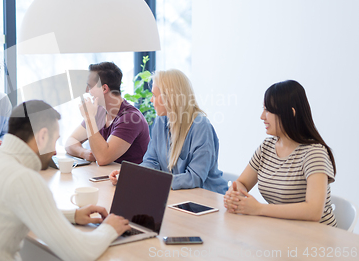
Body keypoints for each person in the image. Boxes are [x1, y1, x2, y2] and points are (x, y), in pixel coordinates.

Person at [0, 100, 131, 261]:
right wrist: (109, 229)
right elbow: (81, 252)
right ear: (42, 136)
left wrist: (73, 215)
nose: (54, 151)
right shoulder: (22, 178)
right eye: (54, 140)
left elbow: (15, 207)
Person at [223, 80, 337, 226]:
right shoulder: (267, 147)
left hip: (316, 238)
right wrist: (236, 193)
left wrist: (259, 209)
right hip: (283, 230)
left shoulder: (314, 153)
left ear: (291, 113)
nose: (262, 116)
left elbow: (313, 211)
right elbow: (242, 182)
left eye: (268, 110)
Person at [109, 69, 228, 193]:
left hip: (206, 199)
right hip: (176, 195)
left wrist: (156, 181)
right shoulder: (160, 121)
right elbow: (151, 161)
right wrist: (132, 175)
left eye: (154, 95)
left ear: (170, 97)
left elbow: (195, 177)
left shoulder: (201, 126)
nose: (151, 100)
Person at [65, 62, 150, 165]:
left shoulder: (130, 118)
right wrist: (84, 153)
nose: (87, 91)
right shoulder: (99, 111)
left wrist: (89, 118)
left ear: (104, 88)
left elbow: (102, 158)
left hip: (128, 179)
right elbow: (70, 141)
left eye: (90, 86)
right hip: (105, 176)